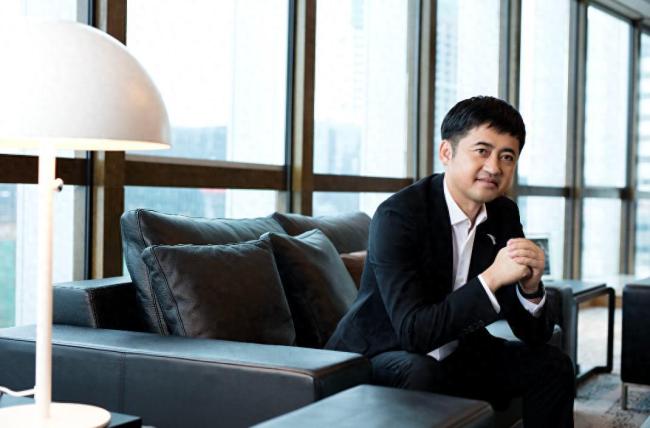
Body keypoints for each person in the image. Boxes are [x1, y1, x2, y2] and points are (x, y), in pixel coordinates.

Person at [325, 96, 575, 427]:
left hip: (458, 352)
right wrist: (491, 278)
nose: (494, 167)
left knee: (552, 364)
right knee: (422, 371)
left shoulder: (503, 214)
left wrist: (530, 289)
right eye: (482, 151)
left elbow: (534, 335)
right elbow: (414, 333)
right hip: (381, 354)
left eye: (507, 157)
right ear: (447, 152)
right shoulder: (399, 215)